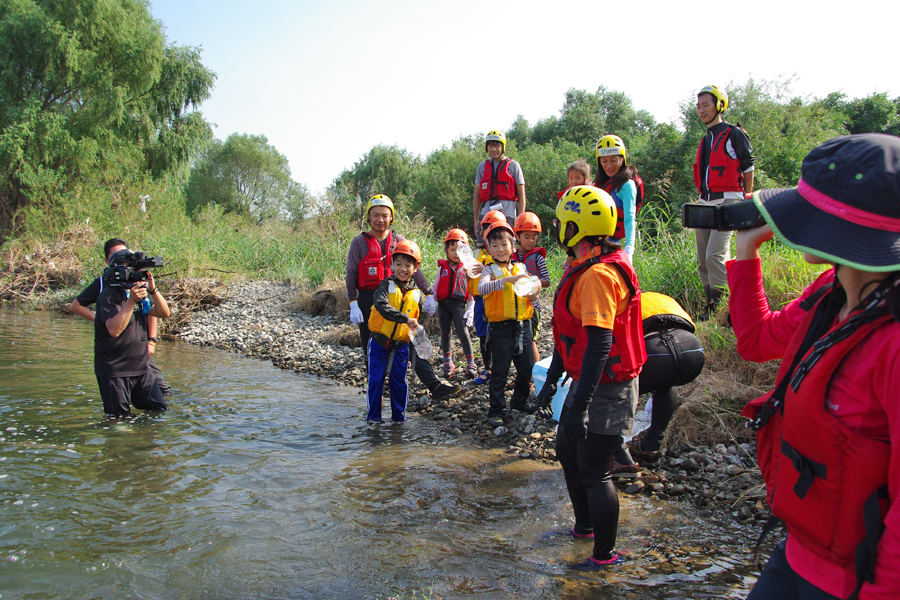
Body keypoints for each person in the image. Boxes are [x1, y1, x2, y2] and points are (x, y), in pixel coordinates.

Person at [730, 134, 900, 600]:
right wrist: (746, 254)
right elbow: (755, 341)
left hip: (853, 581)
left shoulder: (894, 342)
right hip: (797, 554)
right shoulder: (834, 293)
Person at [550, 185, 646, 568]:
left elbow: (601, 344)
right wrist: (554, 382)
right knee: (566, 451)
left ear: (575, 228)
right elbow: (572, 334)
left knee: (594, 468)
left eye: (561, 222)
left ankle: (604, 557)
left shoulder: (597, 277)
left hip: (608, 387)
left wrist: (580, 407)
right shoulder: (585, 266)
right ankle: (584, 527)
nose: (557, 227)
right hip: (589, 381)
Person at [346, 194, 460, 399]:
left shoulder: (398, 241)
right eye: (375, 215)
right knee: (372, 347)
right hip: (367, 299)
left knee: (411, 341)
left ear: (391, 218)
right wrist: (352, 302)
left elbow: (415, 268)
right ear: (368, 217)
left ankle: (434, 386)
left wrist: (428, 293)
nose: (380, 219)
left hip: (399, 295)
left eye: (384, 215)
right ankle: (376, 393)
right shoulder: (359, 242)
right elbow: (351, 273)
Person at [610, 292, 706, 474]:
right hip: (692, 350)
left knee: (618, 390)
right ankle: (651, 446)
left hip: (655, 353)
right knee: (666, 384)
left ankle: (618, 454)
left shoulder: (620, 305)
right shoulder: (660, 298)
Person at [72, 238, 171, 395]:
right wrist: (100, 319)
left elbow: (153, 312)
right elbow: (76, 305)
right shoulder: (103, 283)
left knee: (162, 392)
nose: (125, 261)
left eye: (127, 256)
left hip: (139, 348)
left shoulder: (136, 281)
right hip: (115, 354)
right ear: (108, 260)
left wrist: (152, 340)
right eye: (118, 256)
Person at [693, 85, 755, 320]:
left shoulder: (734, 133)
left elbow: (748, 165)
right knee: (703, 260)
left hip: (729, 202)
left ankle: (726, 308)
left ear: (720, 105)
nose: (701, 110)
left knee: (715, 256)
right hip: (705, 202)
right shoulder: (706, 137)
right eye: (698, 106)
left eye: (706, 104)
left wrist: (747, 195)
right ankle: (712, 307)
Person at [478, 220, 540, 428]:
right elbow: (482, 289)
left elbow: (533, 290)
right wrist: (506, 281)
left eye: (504, 245)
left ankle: (519, 401)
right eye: (494, 246)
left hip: (523, 325)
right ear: (489, 249)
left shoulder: (521, 267)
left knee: (527, 367)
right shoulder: (489, 270)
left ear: (513, 246)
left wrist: (535, 293)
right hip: (500, 328)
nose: (500, 249)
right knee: (500, 370)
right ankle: (496, 410)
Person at [94, 248, 171, 416]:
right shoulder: (108, 296)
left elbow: (163, 313)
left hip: (141, 367)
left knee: (158, 411)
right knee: (119, 421)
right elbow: (114, 330)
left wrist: (153, 291)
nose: (134, 275)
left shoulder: (139, 294)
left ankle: (146, 440)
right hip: (115, 370)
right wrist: (131, 301)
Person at [366, 240, 425, 423]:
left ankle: (399, 419)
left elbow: (417, 320)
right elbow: (381, 306)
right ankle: (373, 419)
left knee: (399, 382)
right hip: (379, 341)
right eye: (398, 264)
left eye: (408, 265)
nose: (403, 268)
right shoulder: (385, 286)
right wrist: (405, 319)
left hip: (401, 345)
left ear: (415, 268)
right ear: (392, 265)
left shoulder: (417, 294)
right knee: (376, 381)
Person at [469, 209, 508, 385]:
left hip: (498, 299)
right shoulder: (478, 253)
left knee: (500, 334)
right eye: (486, 227)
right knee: (483, 333)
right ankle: (488, 367)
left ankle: (501, 367)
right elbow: (470, 277)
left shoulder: (505, 252)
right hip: (479, 300)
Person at [435, 228, 477, 379]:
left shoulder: (466, 269)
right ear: (446, 250)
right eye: (452, 249)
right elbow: (436, 285)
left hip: (459, 305)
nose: (455, 253)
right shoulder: (442, 268)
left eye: (459, 250)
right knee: (445, 332)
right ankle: (448, 362)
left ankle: (471, 362)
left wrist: (471, 306)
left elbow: (471, 288)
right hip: (443, 305)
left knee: (463, 332)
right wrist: (432, 300)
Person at [594, 135, 644, 262]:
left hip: (613, 245)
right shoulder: (600, 183)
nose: (609, 165)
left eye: (613, 160)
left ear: (622, 159)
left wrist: (629, 250)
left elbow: (629, 218)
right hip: (597, 243)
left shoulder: (627, 185)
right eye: (604, 161)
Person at [472, 130, 526, 246]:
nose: (493, 149)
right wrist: (476, 220)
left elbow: (521, 194)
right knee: (482, 246)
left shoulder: (514, 166)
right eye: (490, 146)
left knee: (506, 246)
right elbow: (477, 195)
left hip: (508, 213)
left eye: (496, 145)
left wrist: (520, 220)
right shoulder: (482, 167)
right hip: (487, 213)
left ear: (503, 147)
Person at [514, 212, 550, 363]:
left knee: (531, 341)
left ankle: (533, 376)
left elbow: (547, 281)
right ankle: (524, 375)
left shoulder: (538, 257)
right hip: (516, 307)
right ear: (518, 236)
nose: (530, 241)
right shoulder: (511, 257)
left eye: (534, 237)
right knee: (518, 340)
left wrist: (534, 282)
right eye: (526, 237)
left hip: (533, 306)